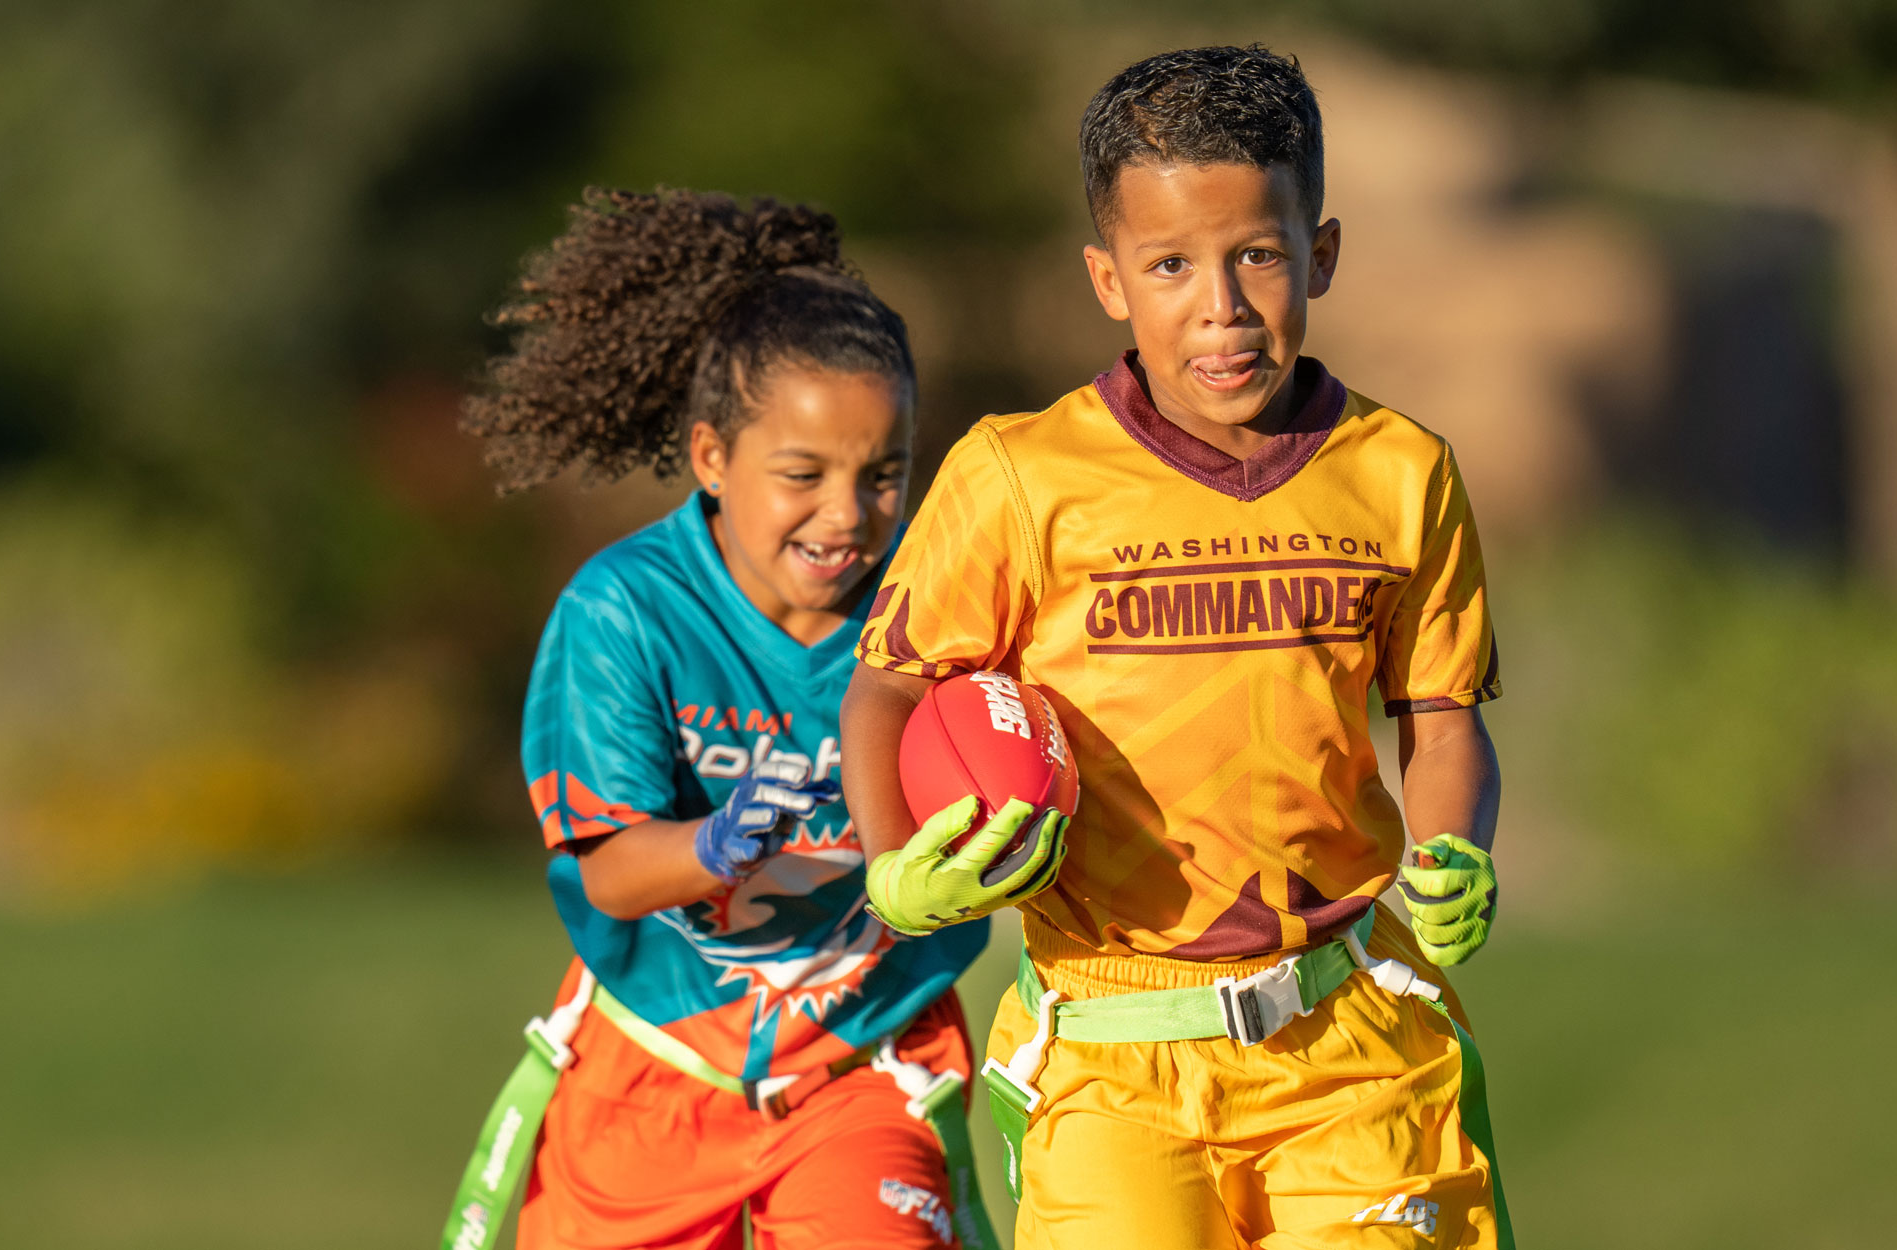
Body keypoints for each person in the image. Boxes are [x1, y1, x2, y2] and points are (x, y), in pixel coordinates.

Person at [843, 46, 1514, 1249]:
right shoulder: (1017, 477)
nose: (1221, 306)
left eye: (1258, 253)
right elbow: (888, 690)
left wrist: (1456, 842)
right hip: (1113, 1057)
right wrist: (896, 868)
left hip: (1351, 1042)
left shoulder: (1404, 473)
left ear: (1322, 252)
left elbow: (1442, 712)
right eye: (1170, 265)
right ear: (1108, 278)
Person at [441, 188, 1036, 1250]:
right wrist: (713, 845)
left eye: (884, 475)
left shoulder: (943, 612)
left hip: (863, 1066)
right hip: (650, 1065)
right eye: (803, 474)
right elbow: (611, 873)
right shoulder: (624, 610)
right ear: (712, 457)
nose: (847, 513)